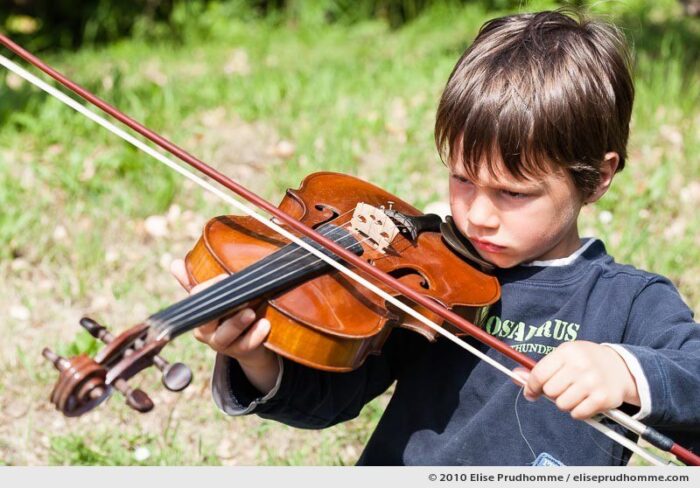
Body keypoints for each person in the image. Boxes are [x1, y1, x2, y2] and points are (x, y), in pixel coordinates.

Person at [170, 9, 700, 466]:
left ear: (598, 177)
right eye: (463, 179)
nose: (479, 215)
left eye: (514, 194)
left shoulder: (629, 301)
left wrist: (626, 371)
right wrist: (257, 357)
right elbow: (330, 399)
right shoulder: (425, 285)